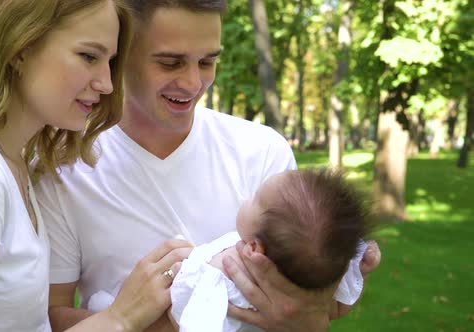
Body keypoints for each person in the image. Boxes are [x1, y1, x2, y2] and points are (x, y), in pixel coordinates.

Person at [35, 0, 382, 331]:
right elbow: (49, 317)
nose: (192, 83)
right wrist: (139, 318)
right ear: (119, 57)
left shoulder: (262, 152)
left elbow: (310, 309)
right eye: (170, 63)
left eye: (207, 62)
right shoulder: (63, 167)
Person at [0, 1, 192, 331]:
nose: (107, 83)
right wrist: (121, 319)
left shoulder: (9, 163)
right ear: (21, 47)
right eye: (88, 56)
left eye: (110, 61)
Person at [165, 168, 376, 331]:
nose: (247, 198)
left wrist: (183, 276)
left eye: (255, 198)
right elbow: (338, 309)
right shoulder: (307, 286)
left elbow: (186, 320)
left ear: (255, 249)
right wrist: (360, 272)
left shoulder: (220, 275)